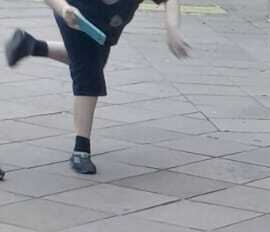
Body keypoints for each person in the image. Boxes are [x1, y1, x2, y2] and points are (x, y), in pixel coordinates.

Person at [5, 0, 189, 175]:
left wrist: (172, 28)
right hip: (74, 14)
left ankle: (30, 45)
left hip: (104, 27)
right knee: (89, 74)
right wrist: (63, 8)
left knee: (88, 62)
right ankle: (81, 150)